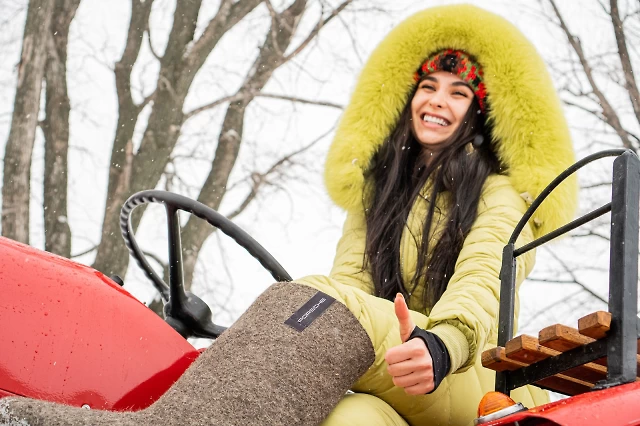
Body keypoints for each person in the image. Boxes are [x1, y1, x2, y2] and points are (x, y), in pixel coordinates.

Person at [0, 4, 577, 426]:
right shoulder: (379, 196)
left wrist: (442, 343)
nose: (437, 101)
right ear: (408, 100)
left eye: (457, 93)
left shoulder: (501, 194)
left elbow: (482, 281)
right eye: (428, 86)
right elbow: (353, 282)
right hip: (391, 371)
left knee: (319, 297)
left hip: (466, 372)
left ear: (477, 114)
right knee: (344, 417)